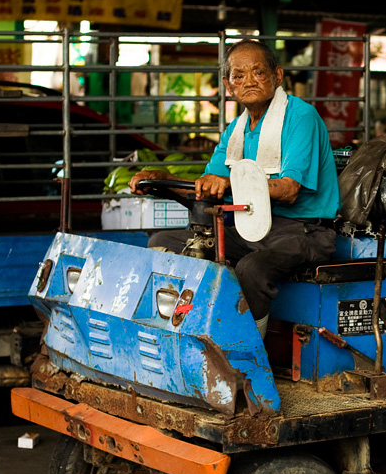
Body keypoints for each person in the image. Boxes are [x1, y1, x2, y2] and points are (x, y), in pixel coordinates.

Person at [129, 39, 340, 338]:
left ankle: (247, 356)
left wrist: (229, 183)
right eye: (239, 76)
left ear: (277, 76)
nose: (249, 81)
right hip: (252, 228)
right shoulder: (236, 131)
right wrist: (162, 180)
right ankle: (181, 334)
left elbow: (290, 189)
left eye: (258, 72)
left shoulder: (299, 117)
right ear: (229, 86)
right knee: (163, 241)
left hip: (305, 231)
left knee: (252, 269)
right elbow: (208, 187)